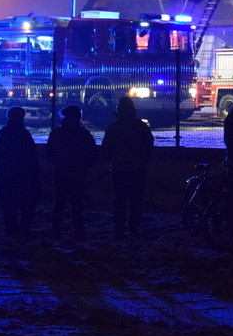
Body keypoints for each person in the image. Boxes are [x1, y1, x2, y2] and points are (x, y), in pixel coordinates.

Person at [102, 97, 154, 240]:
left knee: (120, 200)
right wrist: (144, 161)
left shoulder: (114, 127)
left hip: (119, 167)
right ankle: (134, 231)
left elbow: (106, 148)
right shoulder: (141, 127)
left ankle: (119, 231)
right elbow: (149, 145)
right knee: (136, 201)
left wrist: (113, 160)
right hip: (138, 168)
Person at [46, 105, 98, 241]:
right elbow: (93, 153)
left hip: (61, 171)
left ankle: (55, 232)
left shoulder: (57, 133)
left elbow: (49, 153)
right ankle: (79, 233)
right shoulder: (83, 134)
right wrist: (85, 166)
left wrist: (57, 164)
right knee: (77, 204)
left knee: (59, 203)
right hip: (78, 172)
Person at [0, 106, 41, 237]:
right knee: (27, 206)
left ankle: (11, 232)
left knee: (9, 206)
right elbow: (31, 153)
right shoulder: (24, 133)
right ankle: (23, 231)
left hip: (8, 175)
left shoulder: (4, 132)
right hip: (25, 175)